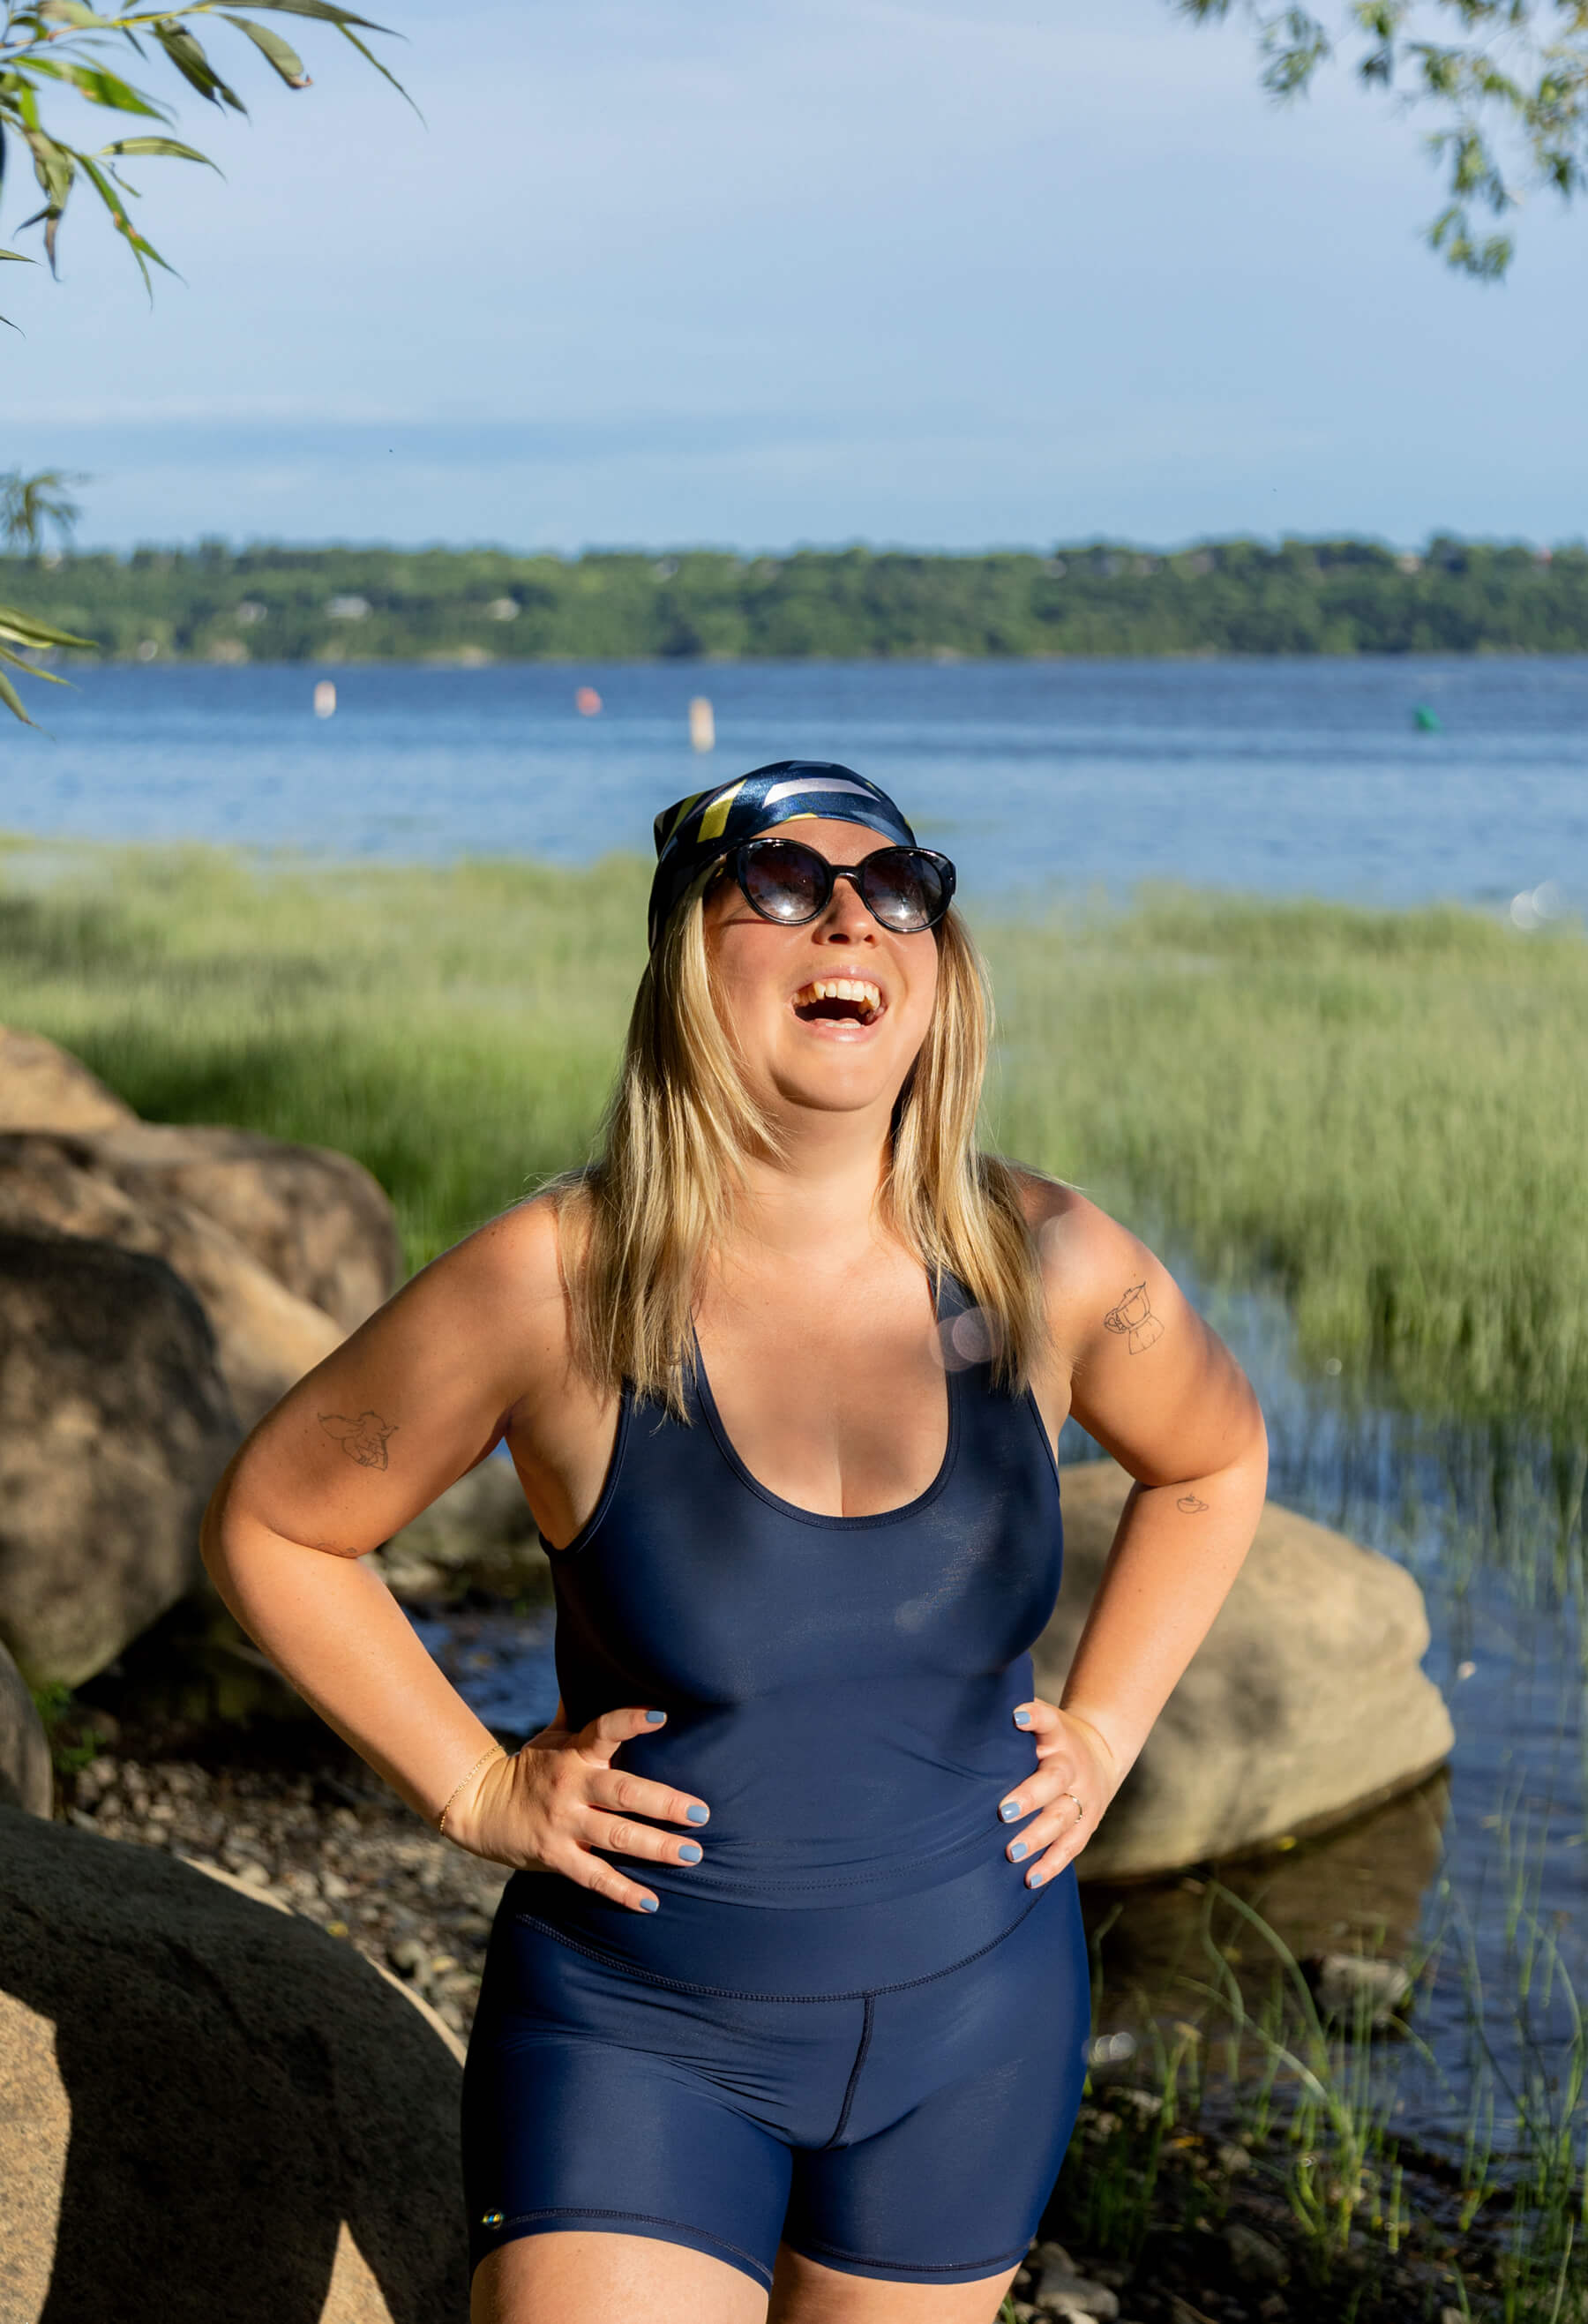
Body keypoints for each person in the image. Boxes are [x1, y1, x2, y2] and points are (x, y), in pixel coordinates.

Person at [202, 761, 1268, 2324]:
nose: (852, 911)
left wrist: (1106, 1726)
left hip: (980, 2024)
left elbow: (1215, 1457)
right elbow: (280, 1522)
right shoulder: (556, 1280)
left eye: (898, 885)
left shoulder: (1050, 1259)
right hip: (636, 2031)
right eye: (780, 879)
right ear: (686, 964)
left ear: (937, 967)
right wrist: (475, 1782)